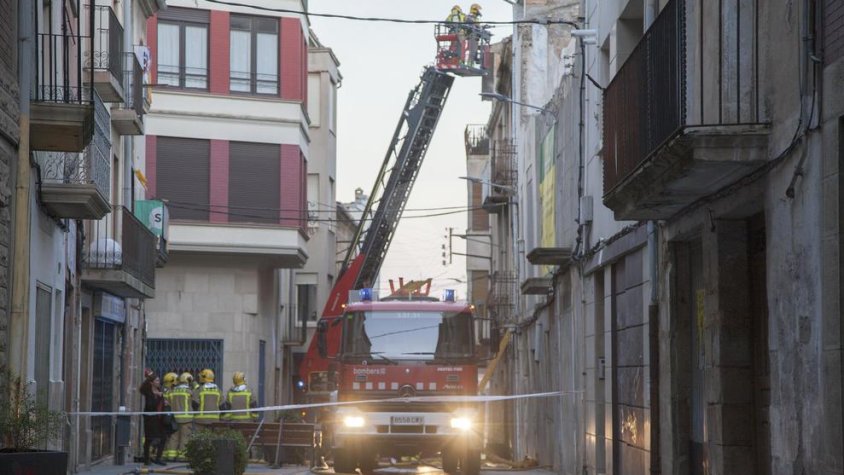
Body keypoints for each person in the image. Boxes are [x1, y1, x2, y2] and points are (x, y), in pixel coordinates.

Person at [139, 369, 168, 466]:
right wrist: (158, 396)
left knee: (163, 437)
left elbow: (161, 404)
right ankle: (147, 459)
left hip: (160, 418)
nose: (159, 382)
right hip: (150, 419)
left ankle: (158, 458)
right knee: (149, 439)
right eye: (157, 381)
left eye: (159, 380)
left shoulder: (159, 390)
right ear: (151, 383)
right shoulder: (149, 393)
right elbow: (150, 406)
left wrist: (165, 402)